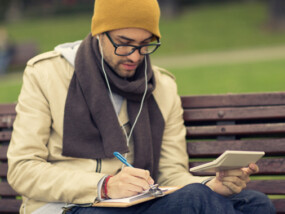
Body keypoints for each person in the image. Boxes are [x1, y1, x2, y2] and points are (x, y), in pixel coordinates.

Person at [7, 0, 276, 214]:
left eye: (146, 45)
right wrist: (104, 185)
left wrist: (213, 185)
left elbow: (171, 174)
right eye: (124, 44)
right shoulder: (46, 74)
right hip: (69, 206)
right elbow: (22, 169)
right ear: (100, 33)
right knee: (196, 201)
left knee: (254, 204)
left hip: (139, 203)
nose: (135, 56)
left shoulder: (162, 86)